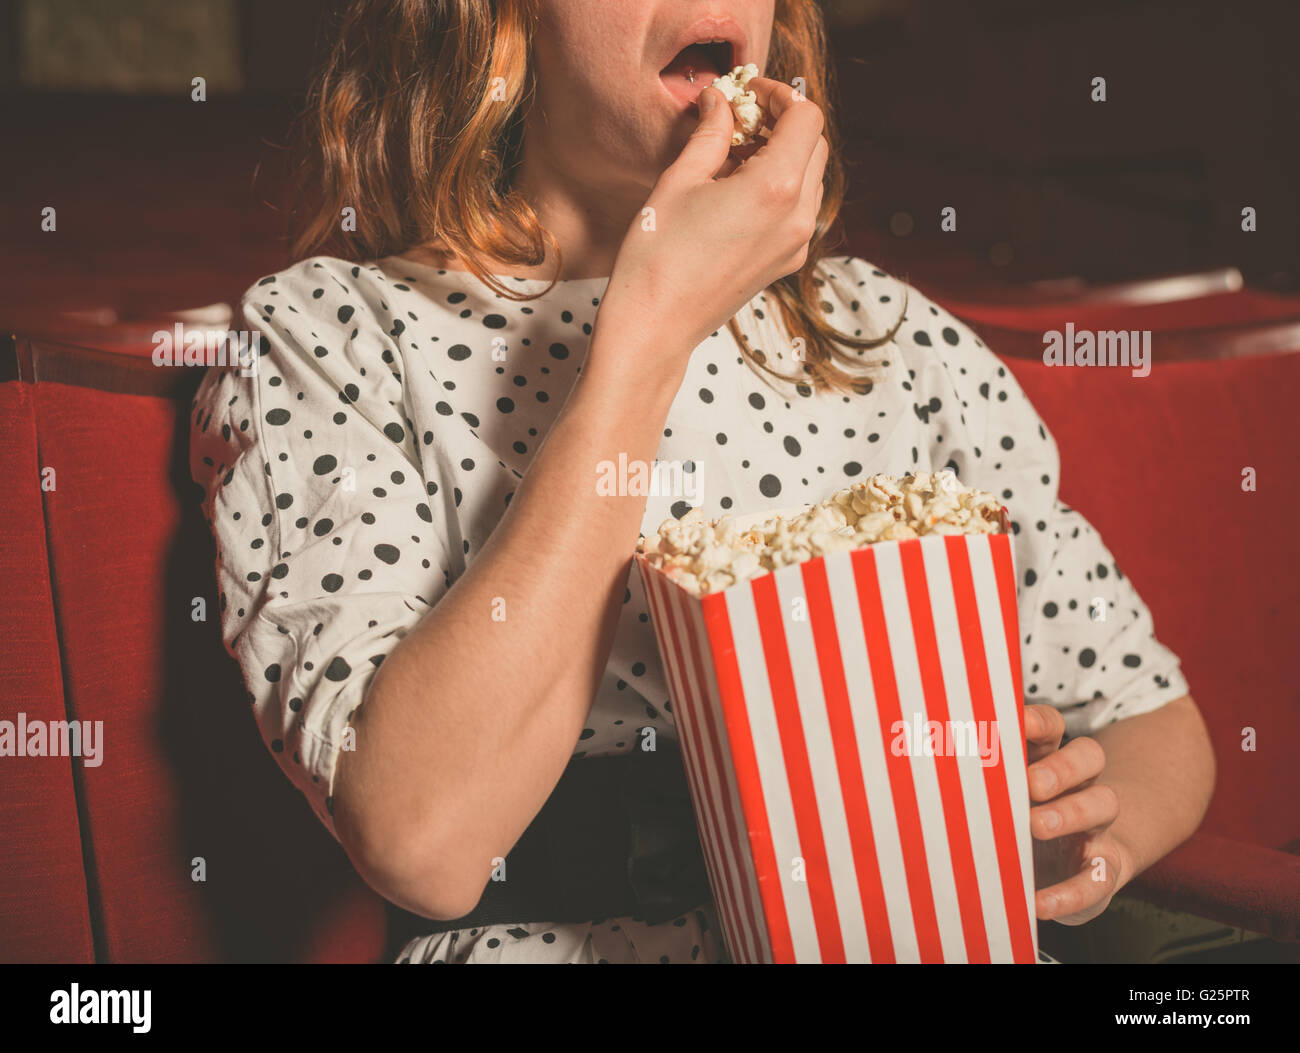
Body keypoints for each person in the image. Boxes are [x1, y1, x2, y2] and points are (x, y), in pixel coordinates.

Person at [190, 0, 1215, 964]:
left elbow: (1150, 717)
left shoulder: (892, 340)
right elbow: (423, 841)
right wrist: (651, 332)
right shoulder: (335, 336)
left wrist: (1082, 833)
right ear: (504, 20)